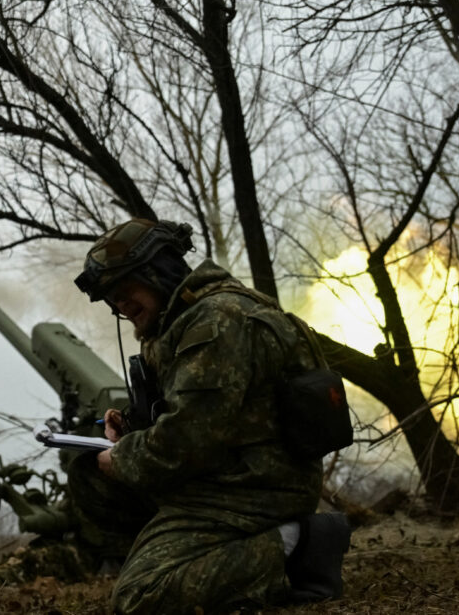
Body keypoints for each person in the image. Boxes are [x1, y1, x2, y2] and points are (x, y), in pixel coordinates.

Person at [70, 218, 351, 614]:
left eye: (125, 288)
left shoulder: (217, 322)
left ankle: (294, 546)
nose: (120, 304)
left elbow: (187, 442)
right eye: (111, 298)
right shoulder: (184, 321)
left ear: (158, 272)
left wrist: (124, 455)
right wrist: (130, 429)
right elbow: (202, 416)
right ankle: (183, 555)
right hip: (229, 474)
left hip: (254, 491)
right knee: (90, 477)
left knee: (139, 598)